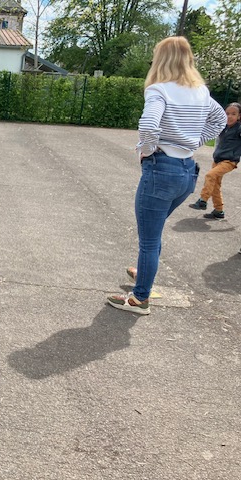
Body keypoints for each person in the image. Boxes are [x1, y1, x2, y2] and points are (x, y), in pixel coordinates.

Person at [107, 36, 226, 315]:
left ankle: (139, 299)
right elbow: (220, 120)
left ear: (161, 59)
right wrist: (194, 142)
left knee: (149, 239)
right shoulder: (200, 91)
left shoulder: (159, 89)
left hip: (161, 169)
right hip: (186, 171)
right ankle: (144, 274)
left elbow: (149, 125)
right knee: (154, 230)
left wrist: (147, 150)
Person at [188, 102, 241, 219]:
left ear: (239, 116)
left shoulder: (239, 129)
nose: (229, 116)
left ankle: (203, 200)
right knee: (215, 186)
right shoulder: (223, 127)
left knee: (210, 175)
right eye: (227, 113)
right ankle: (219, 211)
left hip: (229, 161)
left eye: (233, 114)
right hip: (217, 160)